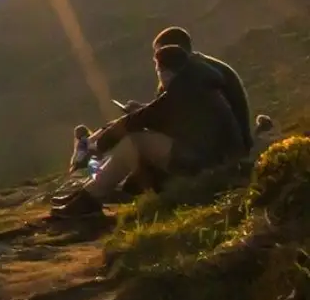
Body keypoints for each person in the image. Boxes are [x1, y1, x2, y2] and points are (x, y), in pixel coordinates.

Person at [51, 44, 240, 222]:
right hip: (210, 157)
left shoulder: (184, 89)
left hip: (204, 162)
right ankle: (89, 194)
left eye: (158, 68)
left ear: (166, 68)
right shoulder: (195, 84)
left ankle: (89, 198)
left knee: (135, 141)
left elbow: (144, 118)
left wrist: (103, 141)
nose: (158, 73)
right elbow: (166, 117)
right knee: (138, 139)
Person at [153, 26, 255, 158]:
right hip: (233, 147)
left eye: (159, 55)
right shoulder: (204, 69)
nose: (157, 64)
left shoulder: (193, 77)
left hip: (222, 153)